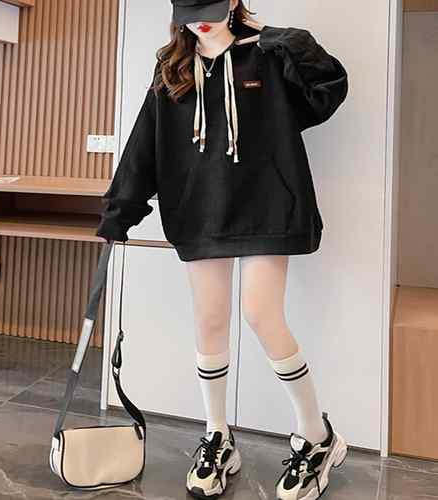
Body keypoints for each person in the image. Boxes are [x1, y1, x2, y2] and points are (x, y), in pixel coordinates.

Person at [96, 1, 349, 499]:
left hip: (268, 203)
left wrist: (283, 39)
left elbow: (327, 91)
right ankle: (217, 436)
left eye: (211, 5)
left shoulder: (270, 52)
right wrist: (119, 212)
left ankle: (318, 436)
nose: (201, 19)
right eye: (191, 10)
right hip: (201, 207)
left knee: (261, 314)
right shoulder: (172, 68)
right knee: (209, 320)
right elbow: (144, 144)